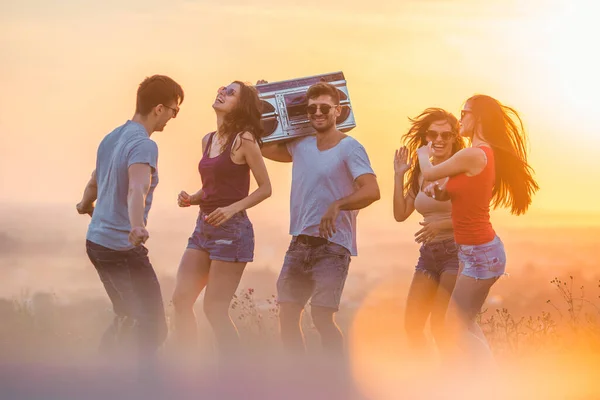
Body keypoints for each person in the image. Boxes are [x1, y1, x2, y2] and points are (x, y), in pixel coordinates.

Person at [416, 95, 539, 367]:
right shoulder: (477, 154)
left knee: (452, 325)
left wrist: (423, 154)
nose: (460, 118)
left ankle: (487, 381)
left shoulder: (474, 153)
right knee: (463, 321)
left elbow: (430, 172)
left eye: (465, 112)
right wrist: (441, 191)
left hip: (481, 254)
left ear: (479, 117)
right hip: (475, 252)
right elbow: (461, 193)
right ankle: (482, 376)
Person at [261, 82, 380, 358]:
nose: (317, 113)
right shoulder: (299, 145)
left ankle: (336, 376)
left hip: (333, 246)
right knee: (288, 316)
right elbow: (263, 145)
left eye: (324, 108)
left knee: (322, 317)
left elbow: (372, 190)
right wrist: (262, 101)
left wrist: (337, 205)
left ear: (337, 111)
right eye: (311, 108)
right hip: (300, 242)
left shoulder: (350, 148)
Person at [76, 75, 184, 367]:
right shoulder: (144, 145)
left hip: (96, 242)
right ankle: (139, 383)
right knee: (153, 327)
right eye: (175, 110)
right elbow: (138, 187)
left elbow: (94, 182)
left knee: (127, 315)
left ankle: (107, 372)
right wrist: (137, 225)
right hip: (121, 247)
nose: (174, 116)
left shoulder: (112, 136)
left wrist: (85, 204)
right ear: (159, 108)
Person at [171, 81, 271, 365]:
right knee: (181, 301)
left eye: (231, 92)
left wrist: (231, 209)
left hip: (233, 232)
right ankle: (186, 367)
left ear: (240, 106)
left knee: (214, 309)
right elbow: (213, 187)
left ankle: (233, 374)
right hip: (203, 229)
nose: (222, 92)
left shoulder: (245, 141)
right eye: (222, 88)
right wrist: (192, 197)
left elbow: (265, 188)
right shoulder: (207, 140)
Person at [393, 108, 465, 355]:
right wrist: (399, 175)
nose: (440, 140)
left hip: (456, 252)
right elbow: (400, 213)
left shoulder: (461, 169)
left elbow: (473, 217)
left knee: (441, 326)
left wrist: (441, 225)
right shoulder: (421, 172)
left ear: (455, 137)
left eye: (446, 135)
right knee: (412, 326)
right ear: (425, 138)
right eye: (434, 134)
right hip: (429, 255)